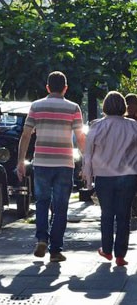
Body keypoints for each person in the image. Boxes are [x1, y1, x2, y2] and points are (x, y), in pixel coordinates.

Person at [17, 71, 86, 262]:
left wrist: (20, 161)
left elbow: (26, 135)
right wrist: (86, 161)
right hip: (64, 163)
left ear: (47, 87)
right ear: (65, 88)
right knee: (61, 207)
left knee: (41, 202)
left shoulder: (36, 106)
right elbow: (80, 137)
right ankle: (55, 250)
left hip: (42, 162)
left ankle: (41, 238)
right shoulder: (73, 108)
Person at [81, 91, 137, 267]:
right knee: (124, 215)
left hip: (104, 176)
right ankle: (120, 255)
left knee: (107, 214)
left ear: (104, 107)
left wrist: (88, 180)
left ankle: (106, 249)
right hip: (128, 175)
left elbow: (88, 156)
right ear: (123, 107)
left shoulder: (97, 126)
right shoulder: (133, 125)